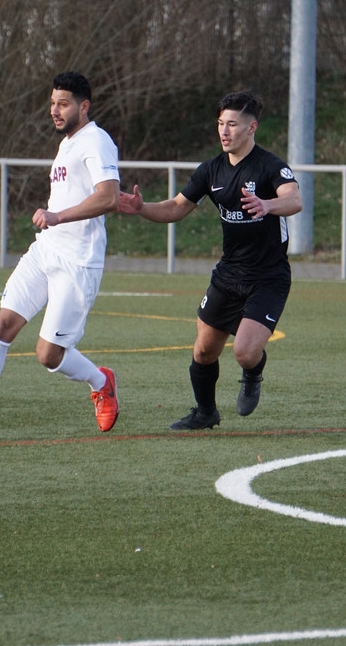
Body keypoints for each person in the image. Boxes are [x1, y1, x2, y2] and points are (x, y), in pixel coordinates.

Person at [0, 72, 121, 441]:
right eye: (52, 103)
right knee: (2, 325)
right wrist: (60, 218)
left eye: (63, 104)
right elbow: (92, 193)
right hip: (46, 249)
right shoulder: (67, 143)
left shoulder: (96, 141)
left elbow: (107, 196)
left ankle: (100, 381)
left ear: (84, 106)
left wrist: (58, 216)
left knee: (48, 354)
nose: (55, 111)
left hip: (77, 262)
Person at [117, 90, 302, 430]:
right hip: (228, 274)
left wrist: (267, 204)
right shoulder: (211, 170)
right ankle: (205, 413)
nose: (224, 131)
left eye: (232, 124)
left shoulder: (270, 166)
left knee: (244, 352)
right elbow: (177, 207)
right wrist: (142, 208)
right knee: (203, 351)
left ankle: (253, 371)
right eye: (220, 124)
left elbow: (294, 199)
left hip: (268, 277)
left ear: (251, 127)